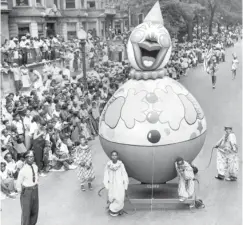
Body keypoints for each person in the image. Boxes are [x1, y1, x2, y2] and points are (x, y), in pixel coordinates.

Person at [16, 150, 39, 225]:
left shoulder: (35, 167)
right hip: (27, 192)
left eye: (32, 156)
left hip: (35, 190)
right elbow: (18, 183)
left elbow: (36, 177)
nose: (31, 158)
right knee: (26, 212)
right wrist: (22, 192)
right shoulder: (23, 170)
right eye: (29, 157)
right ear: (25, 158)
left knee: (35, 211)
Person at [103, 150, 129, 217]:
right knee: (112, 196)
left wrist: (125, 184)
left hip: (119, 183)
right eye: (113, 155)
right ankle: (112, 209)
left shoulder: (121, 165)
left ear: (117, 156)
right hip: (112, 184)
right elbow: (106, 174)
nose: (114, 156)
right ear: (111, 156)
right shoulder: (108, 165)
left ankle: (119, 209)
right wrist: (106, 184)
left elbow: (124, 175)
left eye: (115, 155)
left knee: (120, 196)